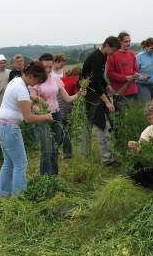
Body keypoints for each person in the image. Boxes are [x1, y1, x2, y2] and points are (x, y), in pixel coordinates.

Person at [0, 61, 54, 197]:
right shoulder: (21, 89)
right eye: (37, 80)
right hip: (9, 128)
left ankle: (2, 193)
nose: (37, 83)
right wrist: (46, 117)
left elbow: (19, 103)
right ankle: (19, 197)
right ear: (32, 75)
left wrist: (32, 102)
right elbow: (28, 118)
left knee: (9, 162)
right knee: (21, 163)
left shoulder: (16, 81)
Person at [29, 53, 82, 173]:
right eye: (45, 67)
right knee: (46, 147)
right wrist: (40, 110)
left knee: (55, 145)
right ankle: (45, 176)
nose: (47, 70)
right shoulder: (35, 80)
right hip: (43, 116)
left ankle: (54, 174)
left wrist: (80, 94)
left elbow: (67, 98)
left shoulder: (56, 79)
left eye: (49, 66)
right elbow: (32, 99)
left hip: (56, 114)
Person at [80, 36, 120, 166]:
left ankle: (84, 157)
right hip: (91, 95)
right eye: (112, 50)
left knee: (88, 125)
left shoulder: (103, 56)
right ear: (106, 45)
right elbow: (94, 82)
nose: (113, 53)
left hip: (92, 93)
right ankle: (107, 160)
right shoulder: (97, 57)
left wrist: (106, 85)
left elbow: (99, 77)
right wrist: (107, 101)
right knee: (102, 125)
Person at [106, 31, 139, 107]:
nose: (128, 43)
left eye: (129, 41)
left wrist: (135, 74)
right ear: (120, 42)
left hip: (133, 90)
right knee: (121, 116)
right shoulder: (112, 55)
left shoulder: (131, 54)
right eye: (126, 42)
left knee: (135, 114)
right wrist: (125, 78)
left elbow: (135, 69)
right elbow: (110, 74)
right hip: (119, 92)